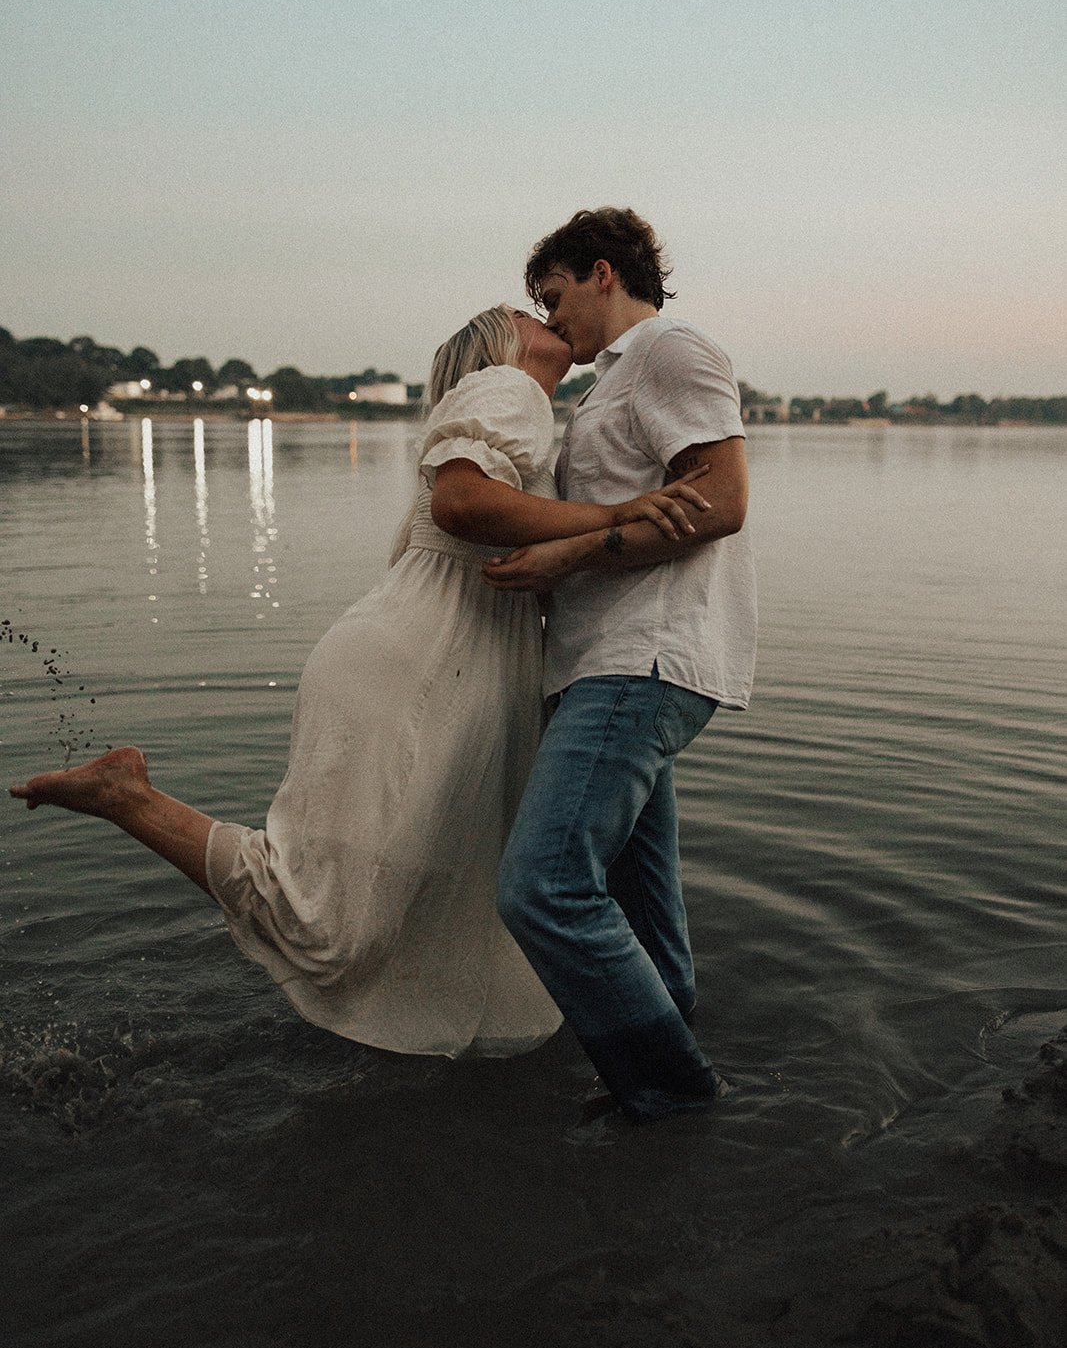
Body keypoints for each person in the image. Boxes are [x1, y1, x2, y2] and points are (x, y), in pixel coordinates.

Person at [10, 304, 711, 1063]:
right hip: (411, 673)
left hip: (447, 670)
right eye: (522, 309)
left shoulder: (527, 410)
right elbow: (461, 502)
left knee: (431, 893)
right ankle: (128, 797)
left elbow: (506, 548)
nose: (543, 312)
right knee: (328, 921)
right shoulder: (505, 388)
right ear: (496, 344)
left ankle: (637, 1041)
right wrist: (619, 515)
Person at [481, 210, 757, 1122]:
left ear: (602, 273)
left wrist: (567, 557)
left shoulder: (671, 349)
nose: (550, 322)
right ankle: (670, 1079)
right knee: (640, 912)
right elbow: (633, 509)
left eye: (553, 298)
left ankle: (671, 1094)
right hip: (597, 663)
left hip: (641, 659)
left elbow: (719, 501)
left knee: (543, 887)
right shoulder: (606, 385)